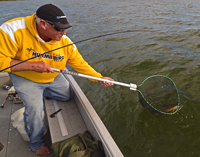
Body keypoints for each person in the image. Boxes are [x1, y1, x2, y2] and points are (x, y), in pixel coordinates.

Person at [0, 4, 114, 156]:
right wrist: (32, 66)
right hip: (25, 77)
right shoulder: (11, 30)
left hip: (52, 76)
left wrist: (98, 78)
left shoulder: (64, 41)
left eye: (65, 28)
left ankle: (42, 93)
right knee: (34, 109)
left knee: (66, 96)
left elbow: (79, 63)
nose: (64, 32)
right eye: (59, 28)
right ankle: (36, 143)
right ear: (43, 24)